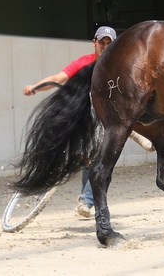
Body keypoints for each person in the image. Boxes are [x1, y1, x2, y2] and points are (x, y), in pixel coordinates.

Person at [23, 26, 117, 218]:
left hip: (106, 121)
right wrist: (35, 87)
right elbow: (58, 78)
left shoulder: (119, 68)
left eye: (109, 44)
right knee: (83, 157)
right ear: (94, 43)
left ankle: (87, 201)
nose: (105, 47)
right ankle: (48, 183)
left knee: (97, 159)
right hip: (82, 118)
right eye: (102, 43)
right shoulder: (84, 63)